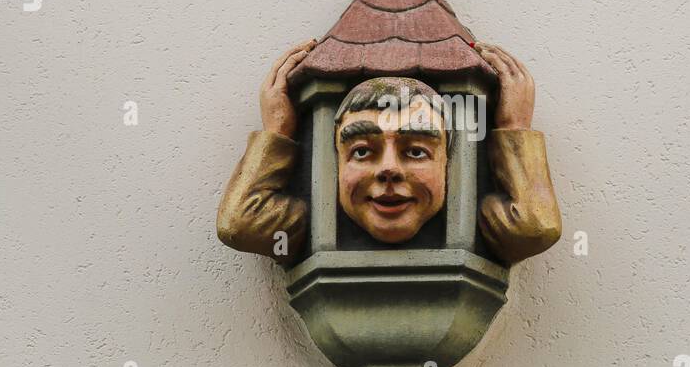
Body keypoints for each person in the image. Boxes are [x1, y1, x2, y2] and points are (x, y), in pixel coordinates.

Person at [216, 39, 561, 266]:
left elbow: (534, 226)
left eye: (415, 151)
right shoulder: (305, 223)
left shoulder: (479, 222)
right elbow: (240, 223)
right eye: (363, 152)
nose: (389, 170)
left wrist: (514, 127)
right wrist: (277, 131)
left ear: (450, 165)